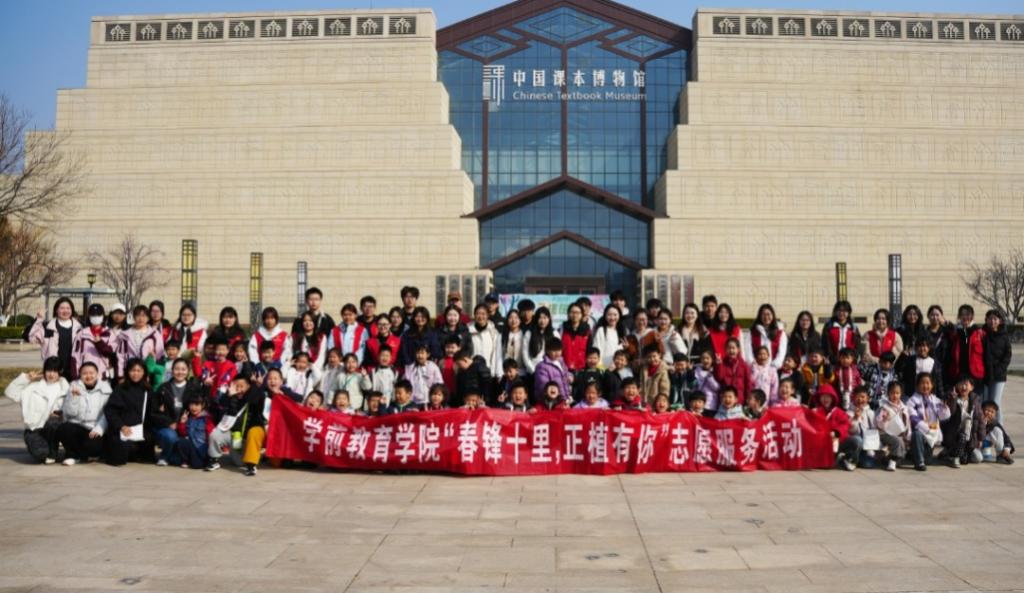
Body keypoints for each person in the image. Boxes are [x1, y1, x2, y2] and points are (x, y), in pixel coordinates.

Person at [4, 357, 69, 463]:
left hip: (56, 427)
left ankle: (54, 451)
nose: (51, 374)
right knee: (41, 454)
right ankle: (47, 450)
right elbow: (10, 392)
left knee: (54, 422)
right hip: (36, 429)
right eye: (48, 370)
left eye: (55, 371)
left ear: (60, 372)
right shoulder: (32, 388)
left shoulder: (67, 389)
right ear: (44, 371)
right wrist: (26, 378)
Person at [103, 358, 157, 466]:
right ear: (127, 372)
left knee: (147, 450)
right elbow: (110, 410)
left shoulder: (148, 390)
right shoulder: (120, 389)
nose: (135, 374)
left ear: (144, 372)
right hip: (122, 429)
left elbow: (152, 413)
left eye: (139, 370)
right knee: (119, 457)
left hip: (140, 431)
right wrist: (121, 426)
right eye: (133, 370)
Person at [55, 361, 111, 465]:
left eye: (91, 373)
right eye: (85, 373)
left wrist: (100, 428)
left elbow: (108, 412)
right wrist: (74, 398)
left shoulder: (106, 388)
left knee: (93, 447)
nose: (88, 376)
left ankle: (86, 454)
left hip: (95, 428)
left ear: (97, 374)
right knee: (64, 429)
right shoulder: (74, 386)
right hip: (78, 425)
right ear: (80, 375)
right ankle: (73, 455)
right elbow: (68, 413)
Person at [154, 358, 205, 465]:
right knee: (170, 436)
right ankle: (164, 456)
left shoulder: (194, 388)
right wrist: (168, 423)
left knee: (177, 460)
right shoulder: (163, 388)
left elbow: (200, 406)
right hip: (167, 427)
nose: (180, 372)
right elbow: (154, 412)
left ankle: (177, 455)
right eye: (177, 369)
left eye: (183, 369)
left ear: (188, 371)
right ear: (172, 370)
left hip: (187, 426)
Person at [907, 373, 951, 471]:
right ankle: (919, 462)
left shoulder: (935, 400)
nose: (925, 386)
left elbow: (944, 417)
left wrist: (944, 407)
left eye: (928, 383)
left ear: (932, 385)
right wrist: (927, 427)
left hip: (932, 435)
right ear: (917, 385)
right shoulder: (912, 400)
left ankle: (915, 455)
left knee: (928, 460)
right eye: (922, 383)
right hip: (921, 432)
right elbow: (913, 418)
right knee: (917, 434)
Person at [28, 298, 80, 380]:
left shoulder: (79, 328)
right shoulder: (48, 327)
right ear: (56, 310)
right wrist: (39, 319)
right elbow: (31, 337)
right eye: (62, 308)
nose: (65, 311)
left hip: (74, 370)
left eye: (68, 308)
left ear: (72, 310)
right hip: (53, 370)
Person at [941, 377, 985, 467]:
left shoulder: (975, 401)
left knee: (978, 458)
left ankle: (950, 453)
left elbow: (980, 421)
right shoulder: (952, 398)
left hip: (969, 437)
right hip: (955, 435)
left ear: (972, 387)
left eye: (966, 384)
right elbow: (951, 412)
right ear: (957, 386)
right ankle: (954, 457)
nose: (963, 387)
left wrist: (980, 439)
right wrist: (953, 399)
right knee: (962, 437)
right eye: (961, 384)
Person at [114, 305, 166, 381]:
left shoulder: (154, 334)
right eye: (138, 315)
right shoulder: (125, 335)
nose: (141, 318)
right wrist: (120, 376)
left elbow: (160, 355)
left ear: (148, 318)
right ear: (134, 317)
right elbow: (120, 356)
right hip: (130, 372)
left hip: (148, 374)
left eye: (144, 316)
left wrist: (153, 358)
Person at [982, 309, 1012, 423]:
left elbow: (1007, 355)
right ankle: (985, 429)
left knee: (995, 403)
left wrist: (999, 369)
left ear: (1000, 321)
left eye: (995, 319)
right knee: (984, 403)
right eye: (990, 318)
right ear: (986, 320)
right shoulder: (982, 334)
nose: (992, 321)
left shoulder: (1004, 336)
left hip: (999, 376)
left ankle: (999, 428)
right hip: (984, 375)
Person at [71, 303, 115, 380]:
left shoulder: (109, 334)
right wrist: (75, 376)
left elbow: (111, 353)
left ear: (103, 316)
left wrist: (99, 343)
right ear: (89, 316)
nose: (96, 317)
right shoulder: (82, 334)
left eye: (98, 315)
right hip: (85, 375)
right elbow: (75, 356)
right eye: (93, 315)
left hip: (102, 375)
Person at [170, 394, 215, 469]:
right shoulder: (188, 418)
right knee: (181, 442)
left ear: (202, 405)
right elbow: (183, 433)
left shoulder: (207, 419)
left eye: (197, 405)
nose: (193, 407)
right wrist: (182, 423)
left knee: (197, 465)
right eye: (191, 404)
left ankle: (190, 461)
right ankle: (185, 460)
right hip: (191, 449)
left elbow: (212, 435)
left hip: (202, 450)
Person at [810, 384, 849, 463]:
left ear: (832, 398)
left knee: (856, 440)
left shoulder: (839, 412)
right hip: (820, 444)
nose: (825, 399)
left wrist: (836, 432)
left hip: (837, 442)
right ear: (819, 398)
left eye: (828, 396)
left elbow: (845, 425)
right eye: (822, 396)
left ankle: (848, 459)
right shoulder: (815, 412)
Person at [839, 387, 876, 471]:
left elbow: (874, 430)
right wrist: (855, 418)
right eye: (857, 397)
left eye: (863, 397)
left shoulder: (870, 413)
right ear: (853, 398)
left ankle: (852, 458)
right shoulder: (849, 412)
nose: (860, 399)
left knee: (868, 464)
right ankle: (849, 458)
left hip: (866, 445)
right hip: (853, 442)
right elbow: (850, 430)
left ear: (867, 398)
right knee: (858, 440)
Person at [876, 382, 911, 471]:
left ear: (901, 394)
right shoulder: (884, 406)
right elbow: (878, 423)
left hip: (899, 433)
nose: (895, 395)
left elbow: (907, 423)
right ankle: (892, 461)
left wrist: (908, 436)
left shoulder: (904, 407)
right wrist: (885, 419)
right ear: (888, 393)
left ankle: (888, 459)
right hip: (885, 433)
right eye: (892, 393)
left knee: (902, 449)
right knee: (897, 441)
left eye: (897, 393)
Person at [947, 304, 984, 388]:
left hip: (975, 373)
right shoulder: (954, 332)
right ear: (959, 316)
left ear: (972, 316)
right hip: (958, 372)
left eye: (967, 314)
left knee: (975, 396)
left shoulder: (979, 332)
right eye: (962, 314)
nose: (965, 317)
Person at [900, 338, 944, 403]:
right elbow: (904, 377)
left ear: (929, 348)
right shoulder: (910, 361)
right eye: (920, 346)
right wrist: (902, 356)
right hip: (912, 395)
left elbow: (939, 382)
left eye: (924, 346)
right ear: (916, 348)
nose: (922, 348)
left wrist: (942, 397)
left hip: (929, 397)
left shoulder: (934, 363)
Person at [532, 338, 571, 405]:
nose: (557, 353)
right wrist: (558, 399)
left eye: (559, 350)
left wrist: (570, 376)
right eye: (554, 350)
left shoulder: (561, 362)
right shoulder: (542, 367)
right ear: (547, 351)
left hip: (564, 400)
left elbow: (566, 373)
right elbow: (544, 386)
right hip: (551, 402)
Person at [467, 304, 503, 377]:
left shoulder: (493, 332)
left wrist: (494, 372)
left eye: (483, 314)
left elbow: (495, 353)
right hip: (471, 370)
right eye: (478, 313)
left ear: (488, 315)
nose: (480, 317)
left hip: (488, 371)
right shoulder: (467, 331)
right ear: (474, 315)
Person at [748, 304, 788, 368]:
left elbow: (782, 352)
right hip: (756, 369)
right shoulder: (752, 332)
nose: (766, 317)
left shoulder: (780, 333)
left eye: (768, 314)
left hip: (774, 369)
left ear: (773, 315)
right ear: (759, 316)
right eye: (763, 314)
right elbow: (748, 351)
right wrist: (753, 364)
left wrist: (774, 365)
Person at [714, 338, 751, 405]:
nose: (731, 350)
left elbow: (748, 383)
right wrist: (719, 365)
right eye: (729, 348)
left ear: (738, 349)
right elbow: (719, 378)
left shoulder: (743, 365)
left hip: (739, 399)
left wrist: (748, 398)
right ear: (725, 350)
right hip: (726, 399)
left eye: (733, 348)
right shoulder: (722, 363)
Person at [523, 306, 557, 375]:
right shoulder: (529, 333)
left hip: (550, 372)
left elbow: (558, 353)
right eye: (540, 318)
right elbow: (525, 354)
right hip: (533, 371)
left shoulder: (555, 334)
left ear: (549, 319)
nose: (542, 321)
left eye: (545, 318)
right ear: (536, 319)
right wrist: (533, 371)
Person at [592, 305, 626, 369]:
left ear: (619, 315)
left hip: (617, 368)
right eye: (609, 315)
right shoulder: (601, 330)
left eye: (615, 315)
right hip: (604, 368)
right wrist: (601, 368)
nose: (612, 318)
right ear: (605, 316)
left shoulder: (621, 331)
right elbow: (597, 351)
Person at [560, 303, 591, 373]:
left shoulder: (587, 330)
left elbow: (589, 348)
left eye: (577, 313)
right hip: (564, 368)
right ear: (568, 314)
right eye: (572, 312)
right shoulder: (562, 328)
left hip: (581, 368)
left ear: (582, 314)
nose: (575, 315)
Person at [694, 350, 721, 415]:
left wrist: (710, 377)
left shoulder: (715, 370)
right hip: (699, 403)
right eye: (703, 358)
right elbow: (695, 386)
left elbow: (717, 388)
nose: (705, 360)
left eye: (707, 358)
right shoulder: (697, 371)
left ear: (712, 360)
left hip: (711, 404)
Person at [501, 309, 526, 376]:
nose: (513, 320)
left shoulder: (524, 335)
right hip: (506, 372)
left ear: (520, 320)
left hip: (521, 372)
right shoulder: (503, 335)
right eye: (511, 318)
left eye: (516, 317)